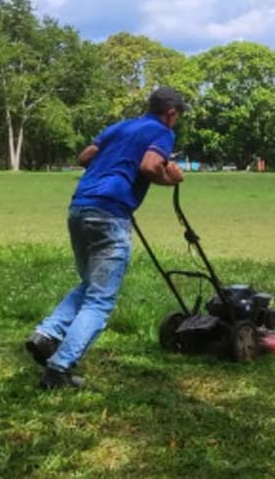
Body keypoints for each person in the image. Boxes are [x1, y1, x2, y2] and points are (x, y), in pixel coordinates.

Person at [25, 86, 188, 389]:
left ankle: (46, 335)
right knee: (100, 300)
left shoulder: (121, 126)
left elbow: (86, 156)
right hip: (109, 214)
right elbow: (150, 166)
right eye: (177, 117)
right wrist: (172, 178)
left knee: (90, 285)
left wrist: (115, 165)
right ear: (170, 113)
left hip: (79, 207)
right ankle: (59, 368)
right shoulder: (162, 132)